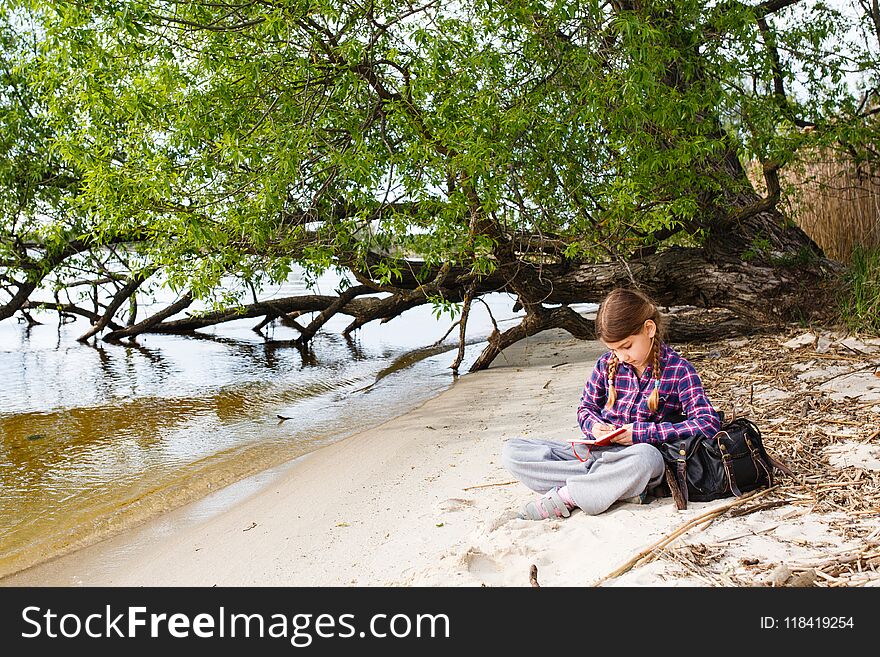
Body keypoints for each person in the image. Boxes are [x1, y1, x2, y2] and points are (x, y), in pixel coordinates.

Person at [501, 288, 721, 519]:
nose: (622, 356)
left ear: (649, 329)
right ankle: (609, 486)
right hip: (597, 453)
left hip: (637, 459)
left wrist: (643, 433)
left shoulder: (679, 370)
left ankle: (570, 495)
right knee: (513, 451)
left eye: (627, 346)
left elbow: (707, 424)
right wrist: (594, 427)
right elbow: (585, 409)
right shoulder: (606, 365)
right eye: (613, 349)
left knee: (647, 459)